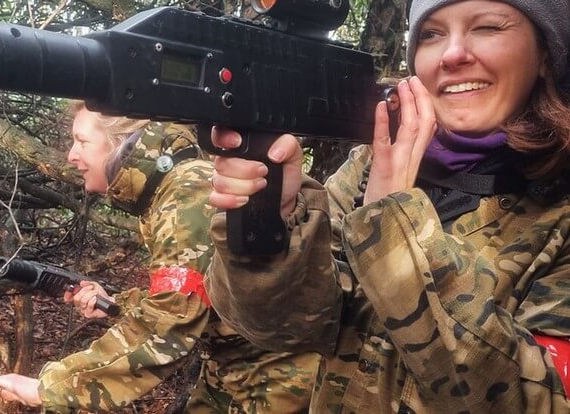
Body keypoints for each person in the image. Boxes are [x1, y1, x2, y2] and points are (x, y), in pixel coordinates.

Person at [205, 0, 570, 412]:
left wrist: (394, 224)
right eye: (431, 34)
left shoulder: (559, 214)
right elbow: (284, 330)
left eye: (486, 27)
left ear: (545, 53)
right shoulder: (374, 161)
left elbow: (538, 401)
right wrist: (276, 220)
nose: (452, 55)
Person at [0, 102, 320, 413]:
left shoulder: (186, 191)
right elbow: (202, 297)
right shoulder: (165, 194)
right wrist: (115, 303)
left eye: (82, 141)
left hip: (279, 376)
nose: (72, 155)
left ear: (122, 143)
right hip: (239, 370)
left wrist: (49, 388)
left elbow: (171, 322)